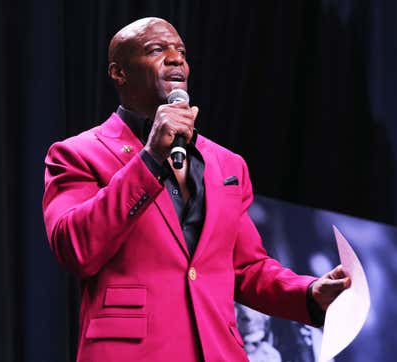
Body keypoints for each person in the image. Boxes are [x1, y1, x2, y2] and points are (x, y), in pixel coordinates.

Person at [42, 17, 350, 362]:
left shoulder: (227, 164)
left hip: (217, 350)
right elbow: (75, 247)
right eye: (157, 50)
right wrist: (149, 159)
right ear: (119, 73)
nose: (176, 59)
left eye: (182, 52)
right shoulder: (78, 153)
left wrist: (308, 293)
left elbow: (245, 267)